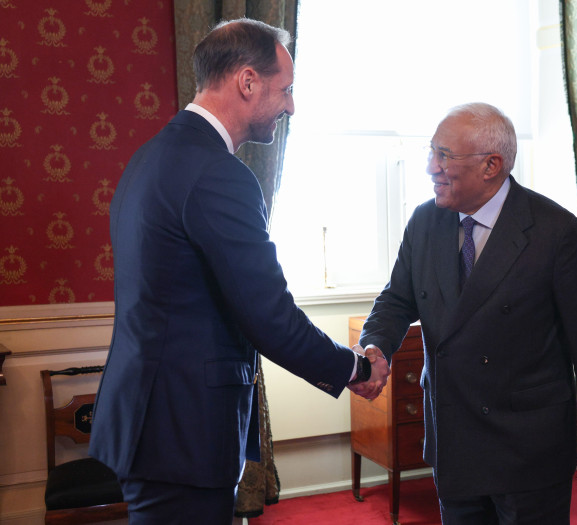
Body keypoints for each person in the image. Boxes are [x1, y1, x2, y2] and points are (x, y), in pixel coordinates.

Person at [89, 18, 389, 524]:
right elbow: (268, 315)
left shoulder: (150, 156)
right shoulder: (218, 174)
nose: (291, 106)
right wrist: (355, 367)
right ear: (248, 81)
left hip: (151, 422)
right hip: (182, 432)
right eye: (286, 89)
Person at [358, 103, 577, 524]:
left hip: (527, 445)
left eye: (444, 155)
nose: (430, 167)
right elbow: (396, 299)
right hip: (453, 435)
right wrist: (376, 344)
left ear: (491, 165)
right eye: (431, 151)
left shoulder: (557, 232)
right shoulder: (425, 221)